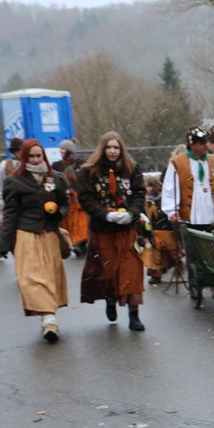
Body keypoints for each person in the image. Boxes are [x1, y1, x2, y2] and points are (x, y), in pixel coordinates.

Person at [0, 139, 70, 343]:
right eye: (31, 156)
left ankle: (48, 316)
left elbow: (65, 203)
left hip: (49, 234)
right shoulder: (14, 181)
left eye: (39, 155)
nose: (36, 160)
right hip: (26, 235)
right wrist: (2, 243)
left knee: (48, 276)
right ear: (24, 157)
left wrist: (58, 212)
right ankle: (49, 320)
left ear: (44, 156)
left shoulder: (57, 178)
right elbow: (10, 214)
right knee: (31, 278)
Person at [77, 131, 147, 331]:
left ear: (121, 149)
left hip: (128, 230)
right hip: (103, 230)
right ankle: (110, 299)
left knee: (131, 270)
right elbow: (86, 198)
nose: (113, 151)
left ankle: (134, 315)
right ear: (103, 149)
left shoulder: (132, 169)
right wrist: (106, 214)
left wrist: (132, 214)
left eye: (116, 147)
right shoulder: (89, 172)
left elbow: (139, 194)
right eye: (109, 147)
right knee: (108, 270)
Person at [161, 125, 214, 266]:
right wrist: (171, 210)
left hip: (212, 215)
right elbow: (170, 188)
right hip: (189, 216)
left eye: (206, 142)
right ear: (192, 144)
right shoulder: (177, 162)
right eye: (201, 143)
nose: (205, 146)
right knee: (193, 254)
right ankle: (195, 280)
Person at [52, 139, 89, 257]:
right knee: (68, 223)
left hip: (79, 198)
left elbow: (86, 179)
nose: (61, 151)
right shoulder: (56, 165)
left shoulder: (81, 164)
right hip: (65, 198)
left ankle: (81, 243)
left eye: (63, 149)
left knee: (81, 222)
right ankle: (74, 244)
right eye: (60, 149)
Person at [0, 137, 24, 211]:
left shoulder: (30, 163)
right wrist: (0, 205)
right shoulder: (4, 165)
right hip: (10, 204)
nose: (20, 152)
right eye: (18, 150)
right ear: (14, 152)